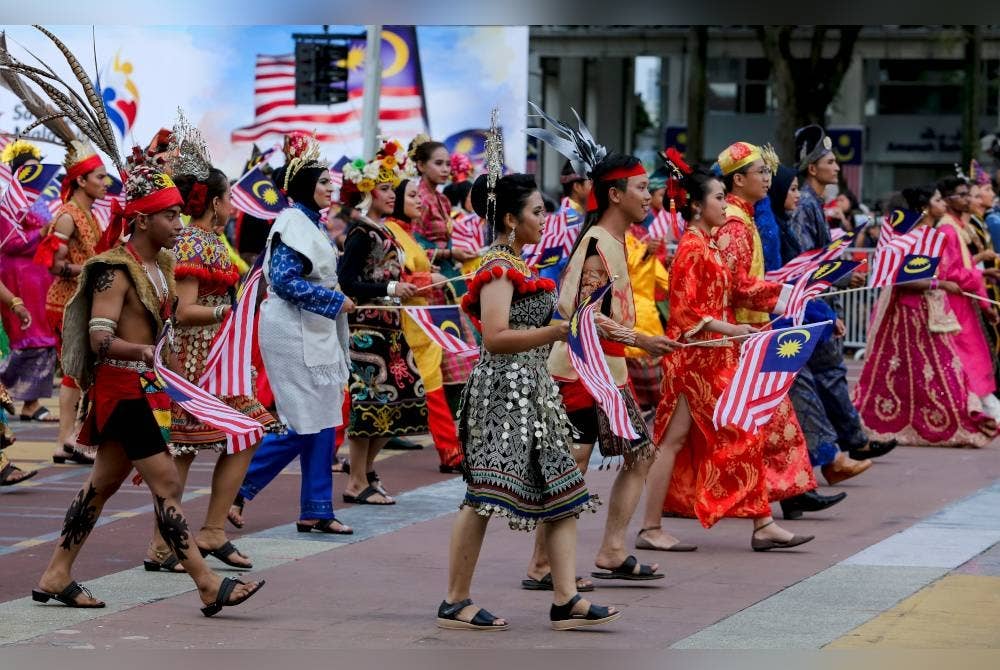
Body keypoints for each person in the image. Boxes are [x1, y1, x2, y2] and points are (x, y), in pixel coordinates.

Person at [35, 162, 264, 615]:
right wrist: (145, 356)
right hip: (122, 390)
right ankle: (206, 583)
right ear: (142, 220)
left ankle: (55, 574)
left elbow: (164, 332)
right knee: (166, 483)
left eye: (180, 214)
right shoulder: (113, 270)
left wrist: (182, 388)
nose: (179, 224)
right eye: (170, 216)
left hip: (148, 387)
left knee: (101, 485)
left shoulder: (160, 265)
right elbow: (101, 340)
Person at [438, 158, 618, 631]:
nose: (544, 218)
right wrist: (557, 332)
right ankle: (455, 600)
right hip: (501, 393)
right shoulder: (497, 268)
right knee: (483, 495)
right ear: (511, 220)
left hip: (535, 392)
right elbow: (495, 336)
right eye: (536, 211)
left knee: (564, 491)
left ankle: (566, 600)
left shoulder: (520, 264)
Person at [527, 107, 679, 581]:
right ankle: (543, 564)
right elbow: (583, 317)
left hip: (604, 372)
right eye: (640, 188)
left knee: (638, 455)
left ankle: (608, 551)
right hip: (581, 372)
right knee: (574, 464)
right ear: (614, 194)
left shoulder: (611, 240)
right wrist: (641, 339)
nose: (649, 196)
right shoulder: (598, 244)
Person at [646, 162, 814, 550]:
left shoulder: (708, 245)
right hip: (695, 361)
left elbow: (732, 291)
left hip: (716, 355)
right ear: (695, 206)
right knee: (695, 437)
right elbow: (686, 314)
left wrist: (784, 298)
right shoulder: (692, 248)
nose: (725, 205)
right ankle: (652, 527)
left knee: (705, 436)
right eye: (719, 198)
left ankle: (761, 521)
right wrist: (732, 329)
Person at [144, 116, 281, 572]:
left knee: (229, 436)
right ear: (216, 203)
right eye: (228, 199)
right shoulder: (197, 245)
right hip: (199, 359)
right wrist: (230, 312)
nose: (232, 208)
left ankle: (195, 536)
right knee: (191, 446)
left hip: (212, 357)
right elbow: (183, 311)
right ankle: (183, 539)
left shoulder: (205, 240)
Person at [233, 132, 355, 535]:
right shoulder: (291, 223)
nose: (330, 187)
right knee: (302, 422)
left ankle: (316, 509)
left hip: (315, 330)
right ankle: (235, 487)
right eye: (323, 182)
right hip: (291, 331)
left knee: (324, 418)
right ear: (304, 185)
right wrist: (334, 302)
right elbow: (283, 282)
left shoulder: (311, 224)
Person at [711, 141, 822, 506]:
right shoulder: (734, 222)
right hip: (742, 335)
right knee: (768, 418)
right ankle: (780, 496)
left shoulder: (746, 217)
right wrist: (786, 294)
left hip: (755, 330)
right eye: (760, 172)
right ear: (738, 179)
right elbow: (734, 284)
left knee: (776, 417)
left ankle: (789, 492)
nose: (767, 178)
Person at [852, 185, 997, 446]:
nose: (942, 204)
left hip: (929, 311)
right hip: (909, 313)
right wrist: (940, 285)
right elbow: (903, 280)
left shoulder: (930, 235)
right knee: (911, 372)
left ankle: (934, 420)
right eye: (938, 199)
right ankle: (912, 422)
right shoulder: (913, 238)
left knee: (936, 371)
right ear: (926, 207)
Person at [790, 125, 894, 467]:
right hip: (812, 302)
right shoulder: (805, 203)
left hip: (820, 298)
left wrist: (842, 274)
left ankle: (849, 441)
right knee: (828, 373)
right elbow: (807, 260)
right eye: (831, 161)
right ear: (812, 168)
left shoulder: (815, 202)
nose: (836, 167)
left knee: (828, 374)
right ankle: (846, 444)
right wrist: (840, 277)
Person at [338, 138, 429, 505]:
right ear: (367, 191)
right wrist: (391, 285)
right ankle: (357, 480)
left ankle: (365, 472)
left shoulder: (385, 230)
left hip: (390, 327)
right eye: (385, 187)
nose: (392, 194)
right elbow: (346, 281)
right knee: (370, 405)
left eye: (394, 188)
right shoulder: (361, 231)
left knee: (397, 403)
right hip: (366, 330)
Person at [766, 165, 853, 519]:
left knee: (787, 412)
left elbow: (789, 282)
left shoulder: (775, 225)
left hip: (778, 325)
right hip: (760, 330)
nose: (796, 196)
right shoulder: (763, 226)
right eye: (791, 190)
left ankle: (795, 490)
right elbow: (770, 283)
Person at [33, 139, 110, 466]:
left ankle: (66, 441)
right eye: (99, 177)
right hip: (66, 303)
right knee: (77, 373)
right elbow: (52, 265)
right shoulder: (67, 216)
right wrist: (92, 268)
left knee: (77, 373)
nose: (105, 184)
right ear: (81, 180)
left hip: (79, 302)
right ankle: (69, 438)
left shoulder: (88, 214)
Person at [383, 176, 465, 473]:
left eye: (419, 195)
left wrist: (426, 273)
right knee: (429, 387)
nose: (419, 201)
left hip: (420, 319)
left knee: (428, 387)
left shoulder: (405, 231)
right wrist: (427, 278)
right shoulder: (391, 231)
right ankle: (450, 452)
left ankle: (450, 450)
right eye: (412, 195)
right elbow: (390, 278)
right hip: (406, 320)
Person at [0, 140, 59, 425]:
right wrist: (41, 234)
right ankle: (16, 396)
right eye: (31, 169)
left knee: (43, 339)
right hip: (17, 277)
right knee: (26, 339)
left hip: (40, 275)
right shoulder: (9, 202)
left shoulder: (38, 200)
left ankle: (31, 403)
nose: (37, 173)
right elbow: (8, 242)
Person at [934, 176, 1000, 422]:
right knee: (967, 357)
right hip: (956, 303)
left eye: (968, 194)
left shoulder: (957, 228)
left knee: (973, 356)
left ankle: (981, 408)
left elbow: (965, 268)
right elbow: (951, 273)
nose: (967, 199)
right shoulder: (948, 230)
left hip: (965, 301)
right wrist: (979, 274)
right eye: (963, 195)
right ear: (949, 200)